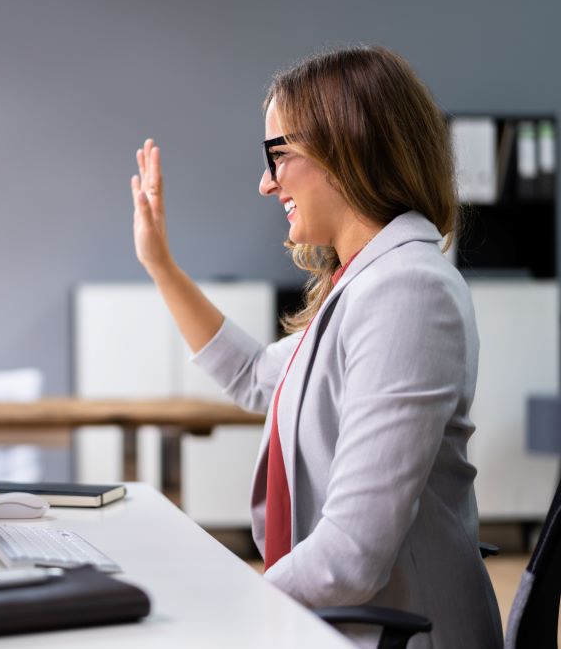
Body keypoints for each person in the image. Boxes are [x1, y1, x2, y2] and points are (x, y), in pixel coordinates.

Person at [130, 46, 501, 648]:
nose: (265, 181)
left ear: (345, 147)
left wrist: (216, 606)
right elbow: (254, 375)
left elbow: (352, 554)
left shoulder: (406, 291)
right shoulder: (363, 285)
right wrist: (159, 264)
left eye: (278, 154)